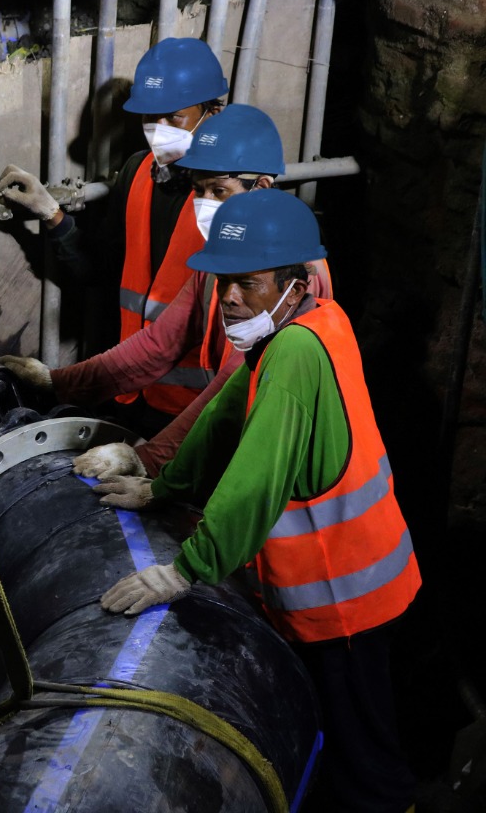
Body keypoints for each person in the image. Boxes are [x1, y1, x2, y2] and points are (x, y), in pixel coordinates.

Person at [95, 189, 420, 813]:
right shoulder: (311, 323)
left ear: (294, 285)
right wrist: (163, 486)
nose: (230, 300)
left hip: (344, 598)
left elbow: (256, 478)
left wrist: (184, 569)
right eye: (223, 284)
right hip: (348, 586)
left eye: (247, 284)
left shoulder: (296, 352)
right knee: (341, 739)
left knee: (364, 764)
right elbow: (221, 415)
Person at [0, 105, 332, 477]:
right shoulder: (222, 257)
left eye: (219, 191)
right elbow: (157, 345)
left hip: (279, 469)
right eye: (199, 191)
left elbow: (234, 389)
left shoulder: (291, 269)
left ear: (262, 187)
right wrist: (58, 383)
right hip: (227, 446)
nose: (205, 204)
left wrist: (150, 461)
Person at [0, 37, 229, 435]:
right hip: (129, 395)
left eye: (174, 118)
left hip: (198, 412)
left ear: (213, 112)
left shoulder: (231, 195)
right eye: (148, 118)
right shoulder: (138, 173)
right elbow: (102, 269)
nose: (159, 131)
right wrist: (51, 214)